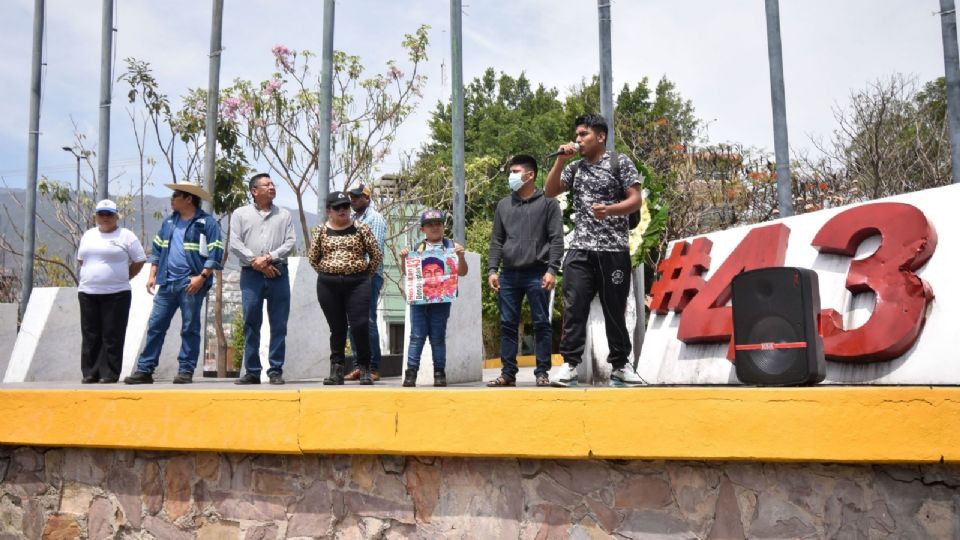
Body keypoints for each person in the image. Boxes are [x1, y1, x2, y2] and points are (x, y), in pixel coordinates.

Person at [544, 114, 646, 387]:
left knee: (615, 308)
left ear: (600, 136)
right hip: (580, 249)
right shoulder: (574, 167)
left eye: (583, 134)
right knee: (574, 306)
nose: (578, 140)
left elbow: (635, 199)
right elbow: (550, 191)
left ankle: (621, 366)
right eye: (576, 135)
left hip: (614, 250)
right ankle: (570, 365)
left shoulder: (619, 162)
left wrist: (610, 210)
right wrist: (561, 160)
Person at [124, 181, 224, 385]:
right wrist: (152, 275)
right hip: (167, 283)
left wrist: (201, 277)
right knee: (155, 326)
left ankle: (185, 370)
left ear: (188, 198)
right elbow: (158, 249)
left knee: (190, 328)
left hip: (191, 283)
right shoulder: (169, 223)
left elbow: (216, 252)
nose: (171, 199)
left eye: (176, 195)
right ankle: (145, 370)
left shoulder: (206, 223)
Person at [486, 154, 564, 387]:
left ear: (530, 175)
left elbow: (556, 239)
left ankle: (542, 372)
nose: (511, 176)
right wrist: (492, 269)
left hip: (538, 272)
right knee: (507, 324)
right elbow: (496, 241)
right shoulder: (503, 205)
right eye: (511, 171)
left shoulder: (549, 202)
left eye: (516, 171)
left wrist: (552, 269)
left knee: (541, 323)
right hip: (509, 274)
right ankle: (508, 373)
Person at [308, 191, 382, 385]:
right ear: (328, 211)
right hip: (328, 285)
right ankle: (337, 370)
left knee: (360, 325)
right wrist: (329, 272)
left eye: (346, 206)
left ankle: (365, 368)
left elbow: (375, 255)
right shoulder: (321, 231)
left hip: (357, 283)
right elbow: (313, 258)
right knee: (337, 328)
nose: (343, 210)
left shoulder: (362, 228)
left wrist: (366, 274)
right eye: (337, 207)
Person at [230, 173, 297, 386]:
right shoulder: (240, 214)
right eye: (266, 184)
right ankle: (251, 371)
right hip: (251, 275)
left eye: (272, 184)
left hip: (278, 273)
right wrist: (255, 262)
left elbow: (290, 243)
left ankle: (275, 370)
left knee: (279, 324)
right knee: (251, 322)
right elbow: (235, 243)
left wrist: (268, 258)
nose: (271, 187)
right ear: (254, 191)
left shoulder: (284, 215)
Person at [76, 200, 147, 383]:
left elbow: (139, 260)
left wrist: (124, 276)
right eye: (102, 214)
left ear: (116, 216)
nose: (105, 218)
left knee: (112, 334)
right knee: (90, 334)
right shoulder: (89, 235)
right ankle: (90, 372)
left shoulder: (126, 236)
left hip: (117, 293)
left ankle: (109, 373)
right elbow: (82, 260)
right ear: (97, 216)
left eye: (109, 214)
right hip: (88, 292)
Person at [400, 209, 468, 387]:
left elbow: (462, 272)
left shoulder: (452, 247)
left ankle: (439, 373)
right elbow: (407, 273)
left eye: (438, 223)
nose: (435, 227)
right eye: (430, 225)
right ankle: (411, 374)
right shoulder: (416, 248)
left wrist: (461, 257)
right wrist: (403, 259)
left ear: (443, 226)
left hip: (442, 301)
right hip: (419, 300)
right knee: (416, 336)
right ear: (423, 229)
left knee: (438, 337)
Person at [344, 183, 387, 382]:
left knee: (367, 321)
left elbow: (374, 250)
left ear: (367, 198)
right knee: (353, 323)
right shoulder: (351, 220)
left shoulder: (374, 218)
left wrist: (363, 273)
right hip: (351, 276)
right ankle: (359, 366)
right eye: (351, 196)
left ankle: (373, 367)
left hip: (368, 276)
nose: (353, 200)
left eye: (357, 196)